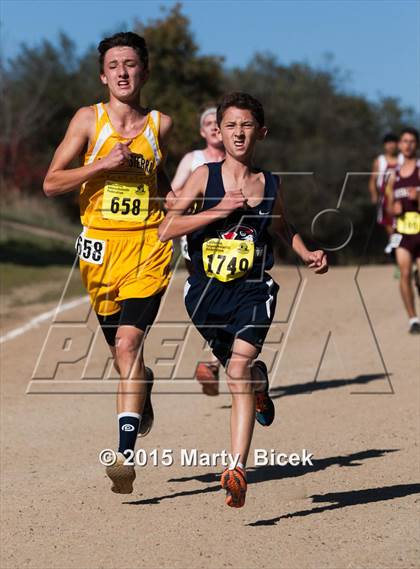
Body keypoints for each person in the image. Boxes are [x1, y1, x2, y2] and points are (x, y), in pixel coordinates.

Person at [159, 92, 328, 508]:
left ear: (261, 132)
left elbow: (282, 225)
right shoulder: (203, 176)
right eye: (230, 125)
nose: (238, 132)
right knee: (245, 374)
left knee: (236, 368)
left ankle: (236, 469)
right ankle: (260, 386)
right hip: (205, 294)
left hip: (253, 290)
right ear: (219, 130)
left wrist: (307, 252)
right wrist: (217, 210)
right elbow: (167, 227)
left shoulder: (270, 184)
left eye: (246, 125)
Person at [43, 32, 174, 493]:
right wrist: (101, 165)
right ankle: (144, 387)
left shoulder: (162, 124)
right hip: (99, 250)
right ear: (103, 75)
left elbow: (170, 185)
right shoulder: (88, 120)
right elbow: (52, 183)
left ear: (144, 71)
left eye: (131, 64)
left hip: (148, 248)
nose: (122, 71)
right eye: (114, 65)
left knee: (126, 345)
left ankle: (124, 456)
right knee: (123, 355)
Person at [170, 107, 225, 396]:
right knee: (208, 296)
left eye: (219, 122)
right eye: (208, 123)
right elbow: (173, 194)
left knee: (227, 294)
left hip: (232, 240)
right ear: (202, 132)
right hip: (196, 239)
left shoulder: (237, 161)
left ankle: (217, 359)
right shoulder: (193, 160)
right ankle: (220, 356)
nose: (214, 126)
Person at [386, 128, 420, 334]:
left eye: (412, 141)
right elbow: (389, 205)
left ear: (416, 145)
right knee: (404, 273)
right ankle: (413, 319)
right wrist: (394, 208)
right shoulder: (393, 175)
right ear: (399, 145)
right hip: (403, 231)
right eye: (404, 141)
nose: (408, 145)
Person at [368, 133, 403, 251]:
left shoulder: (403, 159)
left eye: (393, 142)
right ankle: (396, 251)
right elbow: (372, 180)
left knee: (402, 228)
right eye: (388, 143)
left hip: (401, 198)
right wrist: (374, 196)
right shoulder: (379, 161)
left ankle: (399, 250)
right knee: (390, 228)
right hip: (385, 199)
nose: (391, 145)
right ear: (384, 145)